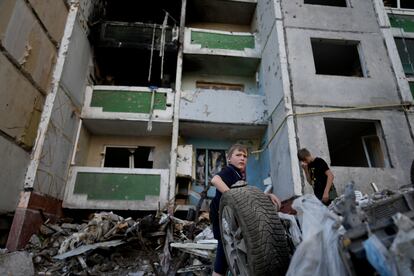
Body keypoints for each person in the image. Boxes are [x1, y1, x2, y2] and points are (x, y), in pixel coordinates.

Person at [210, 144, 280, 276]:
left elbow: (246, 194)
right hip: (221, 218)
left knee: (228, 254)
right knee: (224, 254)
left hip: (228, 219)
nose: (242, 158)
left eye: (245, 156)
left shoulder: (239, 176)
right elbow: (215, 179)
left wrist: (267, 195)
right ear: (229, 158)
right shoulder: (229, 170)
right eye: (238, 155)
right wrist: (233, 198)